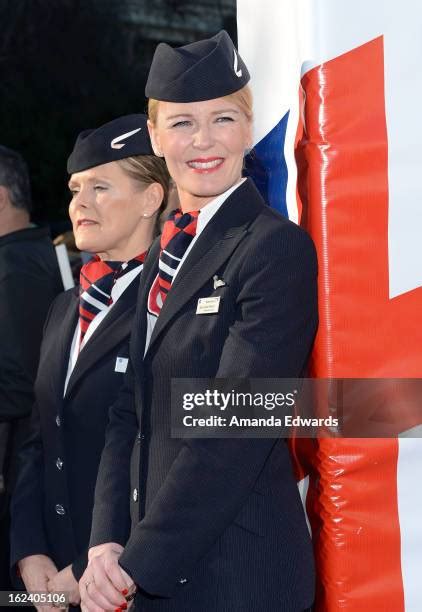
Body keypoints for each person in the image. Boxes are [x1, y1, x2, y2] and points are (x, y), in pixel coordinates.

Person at [81, 31, 318, 612]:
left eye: (223, 119)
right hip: (156, 571)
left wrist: (136, 564)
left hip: (237, 576)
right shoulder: (165, 254)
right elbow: (129, 411)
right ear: (155, 137)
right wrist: (105, 542)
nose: (204, 140)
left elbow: (236, 423)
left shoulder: (273, 248)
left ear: (247, 128)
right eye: (182, 123)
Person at [10, 114, 169, 610]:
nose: (79, 203)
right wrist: (28, 549)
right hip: (48, 572)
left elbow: (171, 457)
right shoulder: (65, 306)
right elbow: (37, 436)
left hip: (122, 575)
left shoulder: (169, 304)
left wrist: (85, 569)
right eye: (75, 189)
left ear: (151, 198)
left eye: (100, 187)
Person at [0, 145, 62, 591]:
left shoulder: (12, 267)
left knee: (18, 597)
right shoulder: (36, 253)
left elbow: (19, 383)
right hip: (32, 475)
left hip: (22, 478)